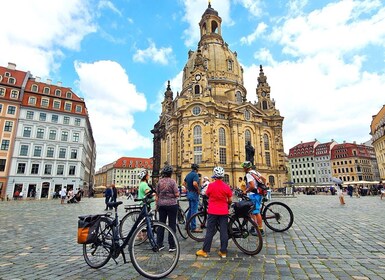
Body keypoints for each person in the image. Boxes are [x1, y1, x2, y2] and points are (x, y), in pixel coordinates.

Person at [196, 166, 232, 258]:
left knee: (210, 231)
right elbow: (230, 200)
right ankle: (223, 252)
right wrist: (226, 203)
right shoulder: (226, 186)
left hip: (212, 211)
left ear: (214, 176)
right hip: (224, 211)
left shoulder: (211, 186)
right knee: (224, 231)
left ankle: (205, 251)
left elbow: (207, 195)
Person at [155, 165, 179, 252]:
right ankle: (171, 245)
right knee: (172, 224)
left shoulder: (159, 182)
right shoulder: (173, 182)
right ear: (171, 173)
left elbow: (157, 194)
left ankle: (159, 244)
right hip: (172, 205)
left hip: (161, 205)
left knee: (161, 224)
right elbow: (177, 194)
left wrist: (156, 205)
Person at [241, 161, 266, 236]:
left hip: (254, 194)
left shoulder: (248, 174)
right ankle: (255, 227)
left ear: (246, 168)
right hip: (259, 193)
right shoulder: (256, 172)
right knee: (252, 211)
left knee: (256, 212)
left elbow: (251, 186)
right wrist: (262, 187)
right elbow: (264, 179)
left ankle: (260, 230)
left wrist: (245, 191)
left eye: (243, 168)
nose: (243, 169)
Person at [183, 163, 201, 233]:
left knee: (190, 210)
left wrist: (188, 188)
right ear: (197, 169)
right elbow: (195, 183)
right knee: (194, 211)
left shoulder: (188, 174)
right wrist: (198, 190)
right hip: (194, 193)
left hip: (189, 193)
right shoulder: (195, 175)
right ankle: (193, 227)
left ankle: (187, 225)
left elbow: (183, 183)